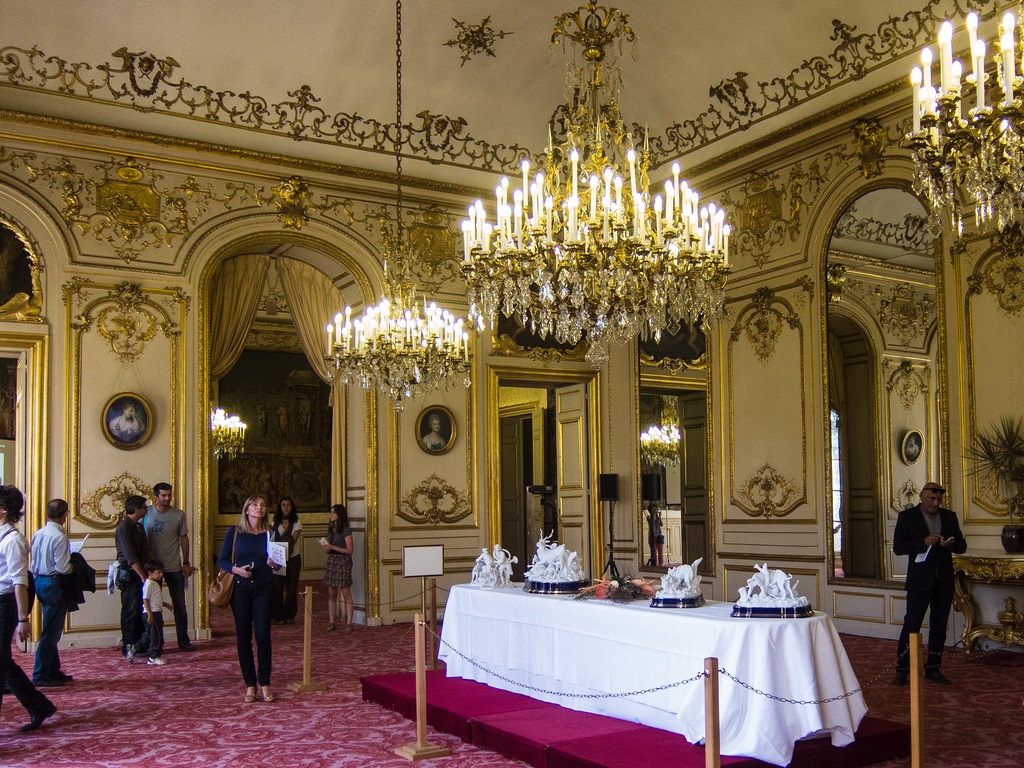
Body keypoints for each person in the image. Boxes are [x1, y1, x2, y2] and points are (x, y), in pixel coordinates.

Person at [892, 481, 967, 686]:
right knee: (912, 624)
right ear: (921, 497)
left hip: (943, 579)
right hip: (919, 581)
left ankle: (933, 667)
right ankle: (902, 669)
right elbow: (898, 547)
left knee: (939, 626)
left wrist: (950, 544)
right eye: (931, 499)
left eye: (939, 499)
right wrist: (923, 543)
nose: (935, 503)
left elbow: (962, 546)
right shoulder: (907, 517)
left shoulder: (949, 517)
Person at [0, 484, 57, 732]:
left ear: (2, 510)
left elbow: (20, 581)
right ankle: (38, 706)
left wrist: (24, 618)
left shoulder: (13, 540)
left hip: (6, 604)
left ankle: (38, 706)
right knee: (3, 663)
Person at [218, 494, 281, 703]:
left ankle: (265, 683)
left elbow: (279, 562)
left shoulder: (271, 532)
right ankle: (250, 685)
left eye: (263, 505)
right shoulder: (235, 532)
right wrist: (236, 569)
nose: (259, 508)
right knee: (243, 637)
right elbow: (223, 561)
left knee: (263, 635)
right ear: (247, 509)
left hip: (264, 587)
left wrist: (275, 564)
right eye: (255, 505)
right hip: (240, 589)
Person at [144, 483, 197, 652]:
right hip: (152, 570)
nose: (167, 499)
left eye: (169, 495)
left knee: (180, 606)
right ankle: (154, 643)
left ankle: (183, 640)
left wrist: (186, 562)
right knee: (152, 607)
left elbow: (184, 538)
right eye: (163, 496)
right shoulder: (146, 513)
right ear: (155, 497)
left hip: (174, 566)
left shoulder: (178, 515)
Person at [29, 498, 74, 687]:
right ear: (65, 515)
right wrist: (74, 567)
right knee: (51, 631)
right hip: (53, 582)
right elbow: (63, 568)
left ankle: (52, 671)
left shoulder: (39, 533)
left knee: (51, 627)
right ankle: (40, 673)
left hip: (38, 580)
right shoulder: (60, 537)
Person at [114, 494, 150, 659]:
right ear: (137, 509)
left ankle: (138, 644)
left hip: (139, 573)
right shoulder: (124, 527)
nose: (146, 509)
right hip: (130, 575)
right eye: (144, 506)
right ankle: (128, 646)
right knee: (129, 611)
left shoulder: (137, 525)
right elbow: (130, 557)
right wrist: (143, 576)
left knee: (138, 610)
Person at [322, 503, 354, 630]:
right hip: (332, 560)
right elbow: (330, 546)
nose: (331, 515)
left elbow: (350, 550)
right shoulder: (331, 529)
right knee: (332, 594)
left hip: (342, 562)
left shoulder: (346, 530)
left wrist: (333, 547)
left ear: (339, 515)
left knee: (346, 593)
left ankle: (349, 622)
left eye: (333, 513)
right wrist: (327, 548)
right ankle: (331, 622)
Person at [271, 497, 302, 624]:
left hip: (293, 557)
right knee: (277, 587)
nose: (286, 507)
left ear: (292, 507)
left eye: (288, 505)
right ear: (280, 507)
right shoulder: (274, 522)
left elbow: (293, 539)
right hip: (278, 558)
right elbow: (272, 539)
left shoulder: (296, 521)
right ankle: (276, 615)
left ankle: (289, 615)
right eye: (283, 505)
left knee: (291, 588)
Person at [138, 559, 171, 666]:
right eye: (158, 572)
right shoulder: (149, 584)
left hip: (156, 612)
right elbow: (145, 600)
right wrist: (150, 614)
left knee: (149, 635)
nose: (161, 574)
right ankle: (153, 657)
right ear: (150, 573)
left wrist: (166, 605)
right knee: (157, 636)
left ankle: (134, 648)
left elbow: (156, 600)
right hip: (153, 613)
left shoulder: (154, 583)